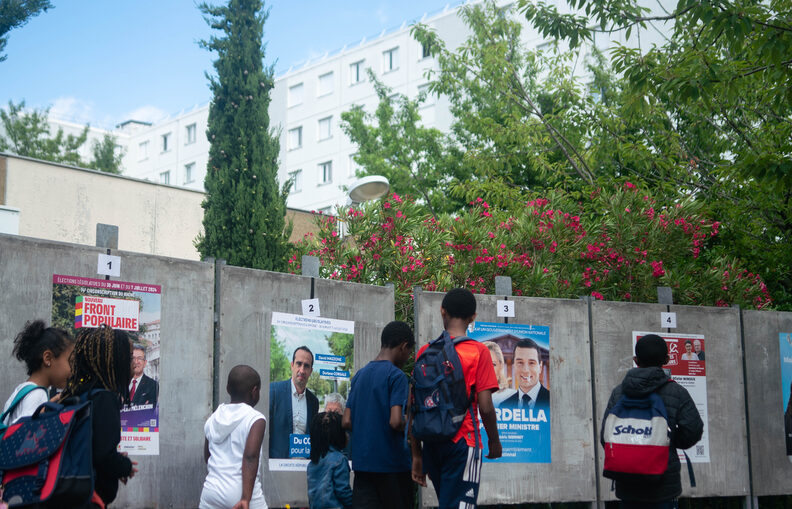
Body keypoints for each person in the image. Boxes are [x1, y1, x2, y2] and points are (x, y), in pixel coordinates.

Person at [410, 288, 502, 509]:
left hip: (432, 444)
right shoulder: (478, 352)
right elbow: (486, 407)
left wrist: (417, 455)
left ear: (443, 311)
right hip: (463, 442)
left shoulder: (425, 351)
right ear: (473, 318)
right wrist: (494, 441)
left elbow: (412, 407)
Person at [602, 333, 703, 508]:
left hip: (628, 486)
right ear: (666, 359)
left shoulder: (619, 392)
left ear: (635, 359)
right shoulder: (676, 392)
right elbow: (693, 430)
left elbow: (605, 436)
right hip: (663, 486)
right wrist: (667, 440)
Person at [59, 325, 137, 508]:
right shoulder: (104, 399)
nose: (132, 363)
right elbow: (103, 456)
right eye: (128, 357)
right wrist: (125, 466)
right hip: (89, 499)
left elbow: (89, 449)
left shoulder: (74, 395)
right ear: (114, 362)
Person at [342, 320, 415, 509]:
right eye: (409, 352)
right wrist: (410, 423)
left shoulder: (359, 375)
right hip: (392, 467)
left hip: (363, 466)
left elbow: (346, 420)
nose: (407, 357)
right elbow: (395, 420)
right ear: (403, 346)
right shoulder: (397, 376)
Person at [200, 365, 267, 509]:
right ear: (255, 391)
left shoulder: (213, 418)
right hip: (242, 493)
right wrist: (245, 498)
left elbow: (208, 457)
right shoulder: (255, 419)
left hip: (211, 493)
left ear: (228, 389)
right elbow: (250, 456)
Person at [2, 320, 74, 425]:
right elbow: (25, 433)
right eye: (70, 362)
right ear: (47, 358)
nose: (73, 370)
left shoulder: (22, 389)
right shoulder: (37, 395)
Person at [269, 346, 319, 458]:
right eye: (299, 364)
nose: (302, 370)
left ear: (311, 371)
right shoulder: (274, 392)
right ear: (292, 365)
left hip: (303, 467)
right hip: (278, 467)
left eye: (306, 366)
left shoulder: (313, 401)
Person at [306, 412, 353, 509]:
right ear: (337, 435)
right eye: (344, 431)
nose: (347, 435)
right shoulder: (339, 460)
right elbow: (343, 492)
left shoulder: (314, 461)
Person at [499, 338, 550, 409]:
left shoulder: (552, 401)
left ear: (540, 367)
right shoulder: (504, 406)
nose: (525, 370)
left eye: (531, 363)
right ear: (514, 366)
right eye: (520, 362)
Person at [483, 341, 516, 407]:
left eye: (493, 364)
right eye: (483, 364)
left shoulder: (512, 396)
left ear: (501, 366)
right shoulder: (469, 397)